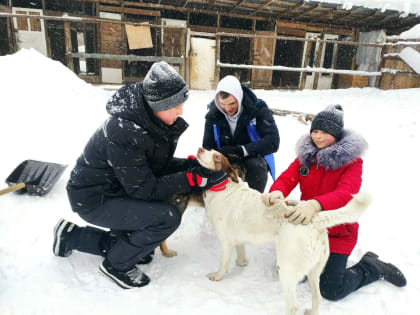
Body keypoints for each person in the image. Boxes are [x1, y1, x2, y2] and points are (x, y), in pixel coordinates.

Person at [53, 62, 228, 289]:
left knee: (139, 245)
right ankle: (116, 265)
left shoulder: (146, 121)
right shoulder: (125, 131)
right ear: (158, 104)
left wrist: (190, 166)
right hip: (94, 199)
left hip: (115, 189)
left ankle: (71, 237)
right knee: (167, 217)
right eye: (176, 106)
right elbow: (144, 189)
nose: (180, 111)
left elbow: (151, 166)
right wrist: (192, 178)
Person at [262, 104, 406, 301]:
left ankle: (372, 267)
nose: (318, 137)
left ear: (337, 135)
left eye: (325, 132)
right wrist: (277, 191)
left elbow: (347, 193)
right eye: (315, 131)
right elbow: (288, 178)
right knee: (288, 271)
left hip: (338, 231)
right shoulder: (306, 157)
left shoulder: (352, 162)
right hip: (309, 228)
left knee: (331, 290)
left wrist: (314, 205)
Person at [202, 75, 279, 193]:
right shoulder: (213, 115)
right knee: (211, 170)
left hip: (253, 156)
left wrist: (242, 150)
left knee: (257, 167)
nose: (227, 109)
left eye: (232, 103)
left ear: (239, 97)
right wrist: (220, 155)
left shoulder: (257, 109)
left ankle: (253, 203)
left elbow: (273, 141)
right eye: (223, 104)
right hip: (224, 157)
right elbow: (207, 146)